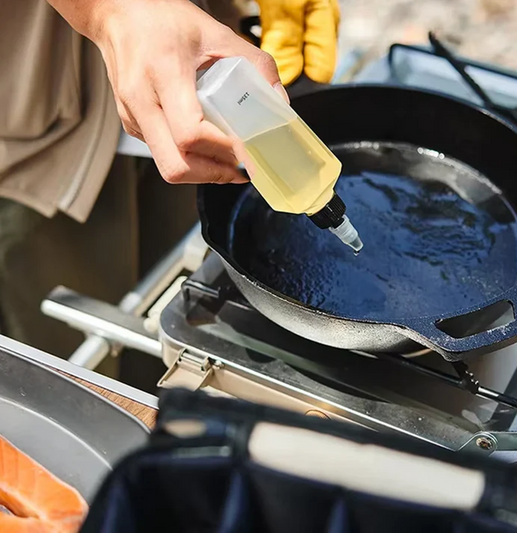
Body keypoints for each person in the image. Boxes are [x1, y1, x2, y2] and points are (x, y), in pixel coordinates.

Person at [0, 0, 339, 369]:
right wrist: (107, 10)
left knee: (170, 302)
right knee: (78, 358)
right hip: (40, 119)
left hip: (192, 75)